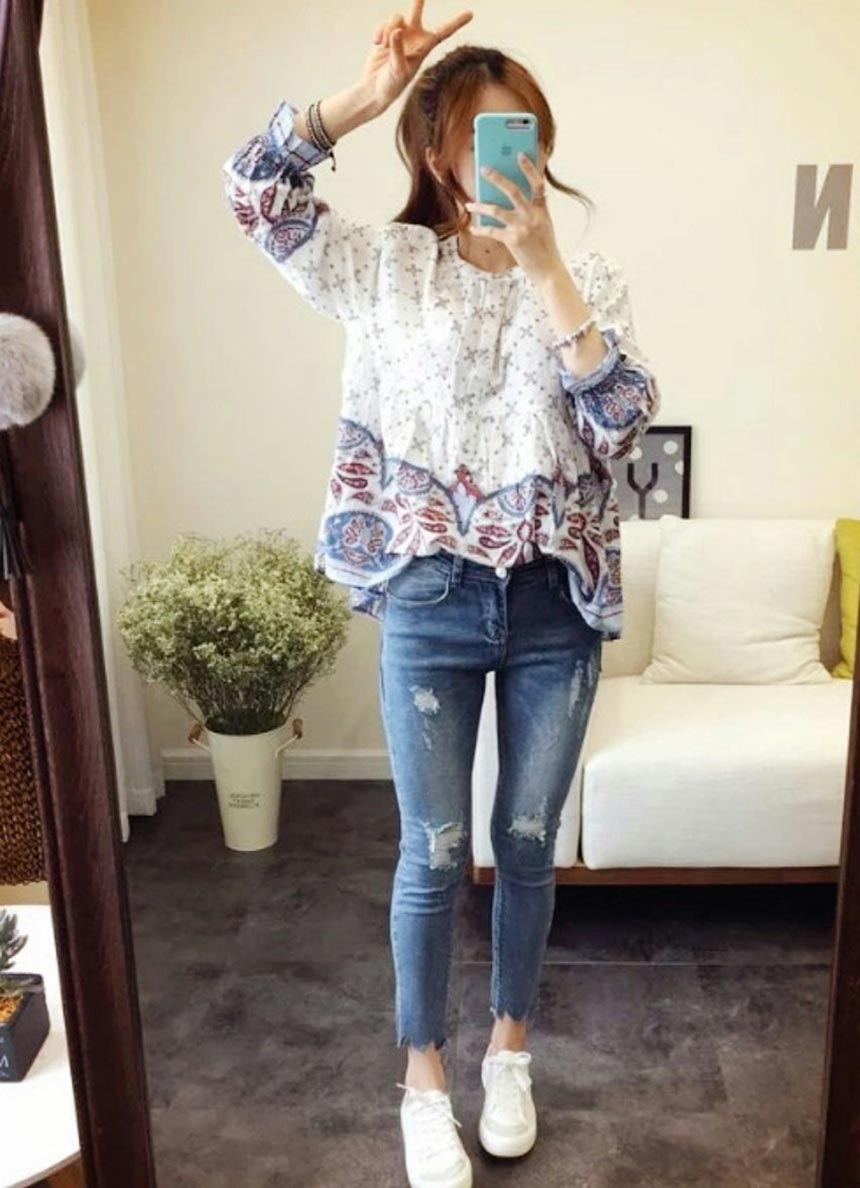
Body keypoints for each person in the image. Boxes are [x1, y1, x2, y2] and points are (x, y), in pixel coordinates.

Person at [222, 6, 661, 1185]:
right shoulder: (381, 267)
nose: (499, 157)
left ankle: (507, 1050)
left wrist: (547, 269)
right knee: (430, 849)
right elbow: (256, 196)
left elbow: (622, 428)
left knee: (525, 842)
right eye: (472, 135)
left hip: (552, 605)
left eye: (517, 133)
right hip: (426, 595)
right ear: (432, 149)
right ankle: (422, 1076)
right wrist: (354, 101)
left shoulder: (586, 275)